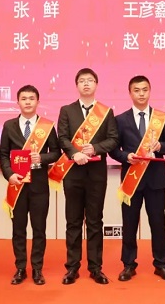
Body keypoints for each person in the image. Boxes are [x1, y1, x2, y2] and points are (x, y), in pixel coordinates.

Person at [51, 68, 118, 285]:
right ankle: (72, 268)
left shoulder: (106, 112)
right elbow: (62, 138)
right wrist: (75, 153)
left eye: (90, 80)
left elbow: (113, 139)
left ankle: (96, 268)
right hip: (73, 172)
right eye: (82, 81)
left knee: (95, 221)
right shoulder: (67, 110)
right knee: (73, 220)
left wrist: (96, 148)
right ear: (77, 85)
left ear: (96, 84)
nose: (86, 84)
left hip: (96, 174)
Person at [109, 75, 165, 282]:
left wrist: (160, 146)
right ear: (130, 93)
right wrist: (125, 156)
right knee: (129, 223)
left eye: (144, 89)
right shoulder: (120, 119)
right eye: (136, 90)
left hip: (155, 179)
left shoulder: (161, 118)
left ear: (150, 91)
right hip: (132, 178)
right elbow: (113, 149)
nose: (141, 94)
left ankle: (161, 264)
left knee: (158, 222)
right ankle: (129, 265)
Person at [0, 85, 61, 286]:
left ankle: (37, 268)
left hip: (39, 186)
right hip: (17, 184)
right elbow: (3, 154)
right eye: (24, 98)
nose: (27, 102)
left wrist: (41, 158)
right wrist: (9, 174)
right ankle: (20, 268)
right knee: (18, 229)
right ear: (18, 102)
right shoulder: (9, 125)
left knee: (39, 228)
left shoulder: (47, 126)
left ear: (38, 101)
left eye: (31, 98)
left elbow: (56, 153)